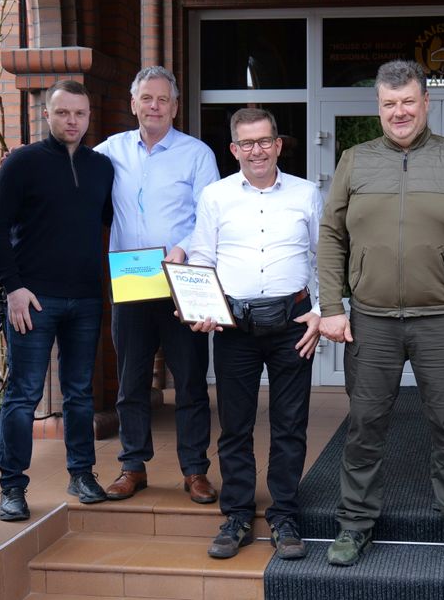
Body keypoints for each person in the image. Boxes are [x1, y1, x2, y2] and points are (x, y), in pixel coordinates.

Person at [318, 59, 444, 572]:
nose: (399, 112)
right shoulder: (354, 160)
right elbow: (332, 236)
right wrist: (332, 306)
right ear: (379, 107)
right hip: (372, 320)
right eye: (388, 104)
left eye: (408, 102)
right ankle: (355, 522)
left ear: (425, 103)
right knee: (365, 423)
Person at [187, 108, 322, 561]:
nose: (256, 150)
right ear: (233, 150)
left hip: (293, 325)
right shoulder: (215, 196)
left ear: (278, 144)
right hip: (233, 327)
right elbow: (203, 255)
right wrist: (202, 308)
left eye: (264, 141)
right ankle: (239, 514)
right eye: (246, 143)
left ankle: (284, 515)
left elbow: (324, 256)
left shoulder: (307, 194)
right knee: (235, 426)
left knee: (290, 425)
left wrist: (320, 313)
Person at [0, 80, 114, 521]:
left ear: (89, 117)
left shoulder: (101, 168)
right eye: (63, 113)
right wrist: (13, 287)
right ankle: (13, 487)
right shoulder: (22, 163)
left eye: (79, 113)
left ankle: (81, 473)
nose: (72, 121)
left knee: (80, 394)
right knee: (23, 394)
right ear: (47, 115)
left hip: (86, 299)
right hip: (32, 300)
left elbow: (112, 224)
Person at [96, 66, 220, 504]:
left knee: (188, 379)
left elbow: (211, 217)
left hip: (181, 279)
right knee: (130, 381)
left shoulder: (197, 154)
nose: (154, 106)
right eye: (146, 98)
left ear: (175, 106)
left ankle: (194, 470)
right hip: (131, 281)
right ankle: (132, 466)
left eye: (162, 99)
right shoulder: (108, 151)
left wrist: (183, 249)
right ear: (134, 104)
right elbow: (69, 175)